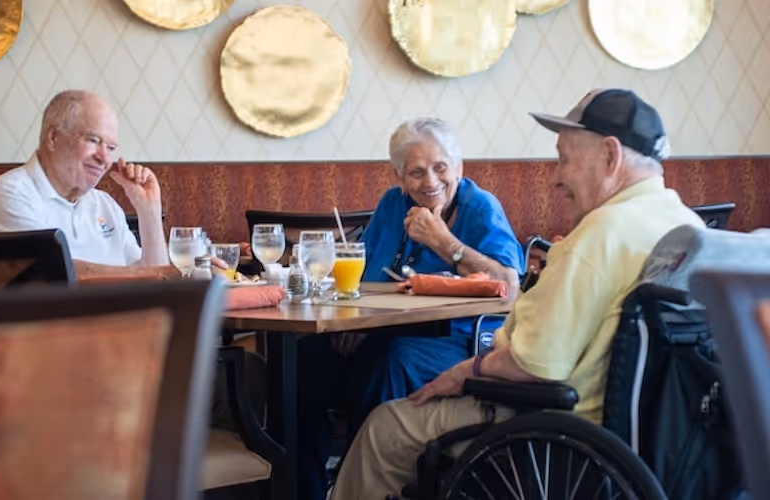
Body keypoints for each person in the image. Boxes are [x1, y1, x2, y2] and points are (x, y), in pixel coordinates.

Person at [330, 89, 706, 499]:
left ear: (611, 156)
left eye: (564, 158)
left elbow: (534, 363)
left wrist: (465, 372)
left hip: (555, 426)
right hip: (647, 442)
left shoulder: (598, 236)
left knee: (384, 427)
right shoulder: (688, 229)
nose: (556, 177)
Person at [299, 118, 524, 500]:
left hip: (459, 340)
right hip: (382, 332)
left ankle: (366, 488)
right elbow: (362, 276)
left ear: (459, 168)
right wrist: (355, 322)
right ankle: (304, 489)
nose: (430, 181)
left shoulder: (479, 207)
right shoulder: (392, 204)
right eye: (416, 172)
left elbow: (509, 285)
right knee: (306, 359)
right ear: (400, 176)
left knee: (391, 361)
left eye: (440, 168)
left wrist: (445, 243)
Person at [0, 90, 174, 278]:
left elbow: (155, 279)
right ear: (53, 138)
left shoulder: (105, 204)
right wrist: (173, 273)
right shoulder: (8, 194)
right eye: (93, 140)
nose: (104, 158)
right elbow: (54, 274)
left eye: (111, 147)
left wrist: (149, 212)